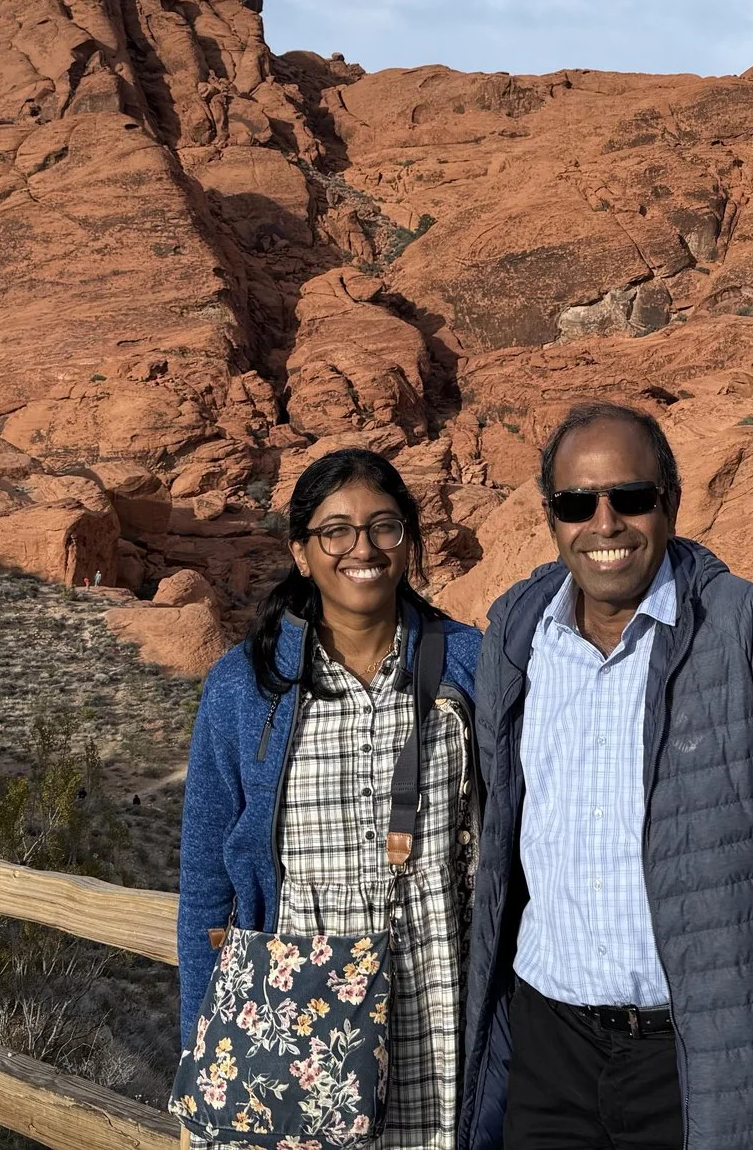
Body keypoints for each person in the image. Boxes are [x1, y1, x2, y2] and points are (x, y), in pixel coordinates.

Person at [458, 401, 753, 1150]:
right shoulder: (517, 631)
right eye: (578, 502)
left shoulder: (747, 628)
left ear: (670, 503)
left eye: (630, 497)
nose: (605, 523)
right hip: (551, 1045)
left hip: (703, 1054)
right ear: (551, 517)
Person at [176, 447, 482, 1150]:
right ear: (302, 551)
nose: (362, 547)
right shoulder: (243, 688)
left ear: (408, 539)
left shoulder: (470, 663)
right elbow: (204, 887)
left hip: (438, 997)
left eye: (384, 526)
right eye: (336, 530)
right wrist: (200, 1045)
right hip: (293, 1021)